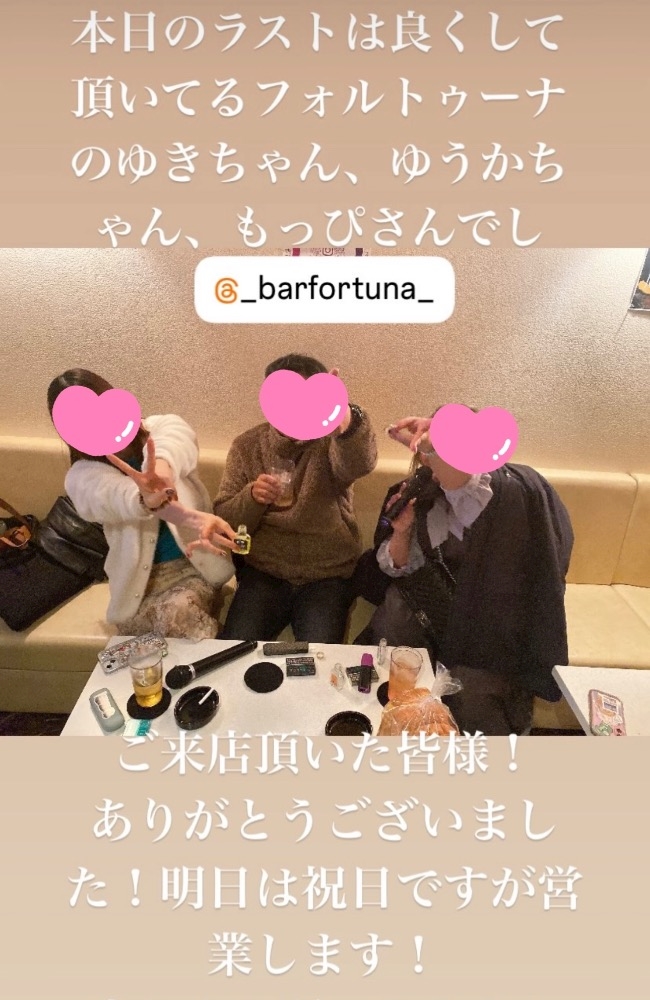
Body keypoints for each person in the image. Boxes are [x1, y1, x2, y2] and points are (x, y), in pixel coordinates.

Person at [353, 411, 574, 735]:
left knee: (471, 690)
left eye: (439, 451)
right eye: (429, 452)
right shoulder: (422, 492)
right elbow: (395, 566)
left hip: (488, 618)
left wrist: (439, 448)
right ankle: (398, 721)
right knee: (394, 618)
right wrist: (402, 530)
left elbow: (469, 490)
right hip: (433, 605)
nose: (431, 461)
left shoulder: (507, 492)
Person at [47, 369, 239, 640]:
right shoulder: (82, 475)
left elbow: (175, 441)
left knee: (179, 614)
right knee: (151, 644)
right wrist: (143, 498)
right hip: (137, 587)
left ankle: (215, 659)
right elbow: (111, 495)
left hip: (192, 568)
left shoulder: (162, 427)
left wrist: (160, 472)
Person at [205, 354, 378, 642]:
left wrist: (344, 420)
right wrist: (253, 497)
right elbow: (225, 522)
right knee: (234, 648)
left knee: (321, 658)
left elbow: (359, 464)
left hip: (327, 573)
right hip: (264, 571)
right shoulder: (247, 446)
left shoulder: (331, 441)